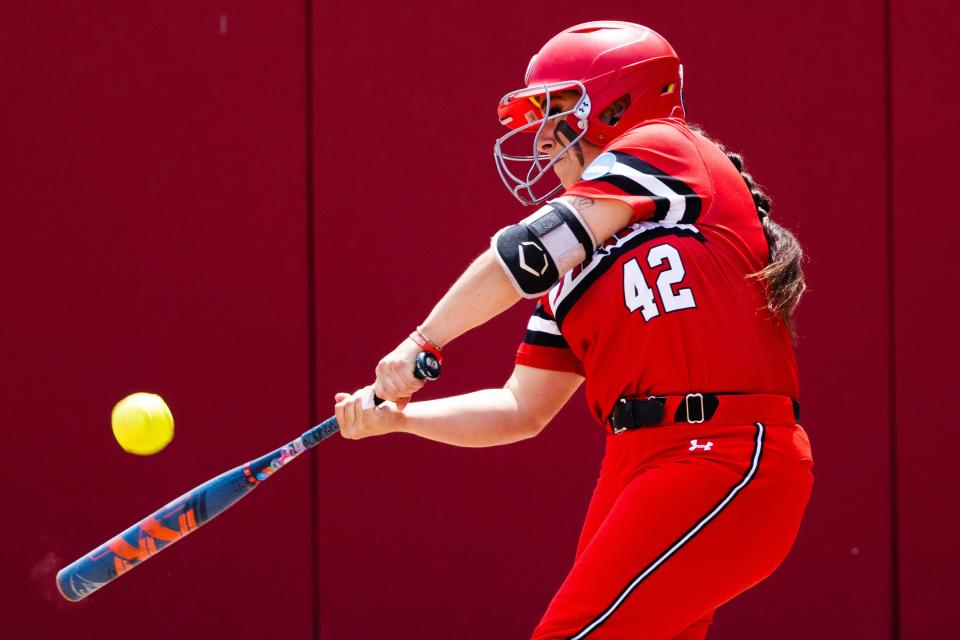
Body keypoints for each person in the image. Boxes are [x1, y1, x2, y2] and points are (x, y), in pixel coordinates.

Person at [334, 21, 814, 639]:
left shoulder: (665, 146)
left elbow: (523, 251)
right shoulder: (574, 270)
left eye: (558, 108)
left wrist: (422, 341)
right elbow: (519, 408)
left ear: (618, 101)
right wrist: (401, 419)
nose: (540, 140)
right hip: (637, 466)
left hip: (721, 450)